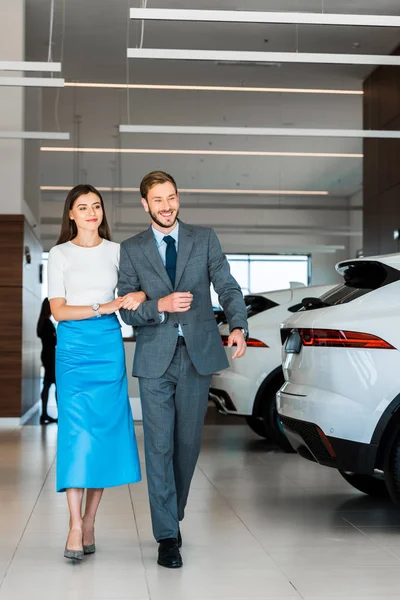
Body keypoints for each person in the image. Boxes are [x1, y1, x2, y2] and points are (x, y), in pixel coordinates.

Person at [118, 171, 248, 568]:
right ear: (145, 205)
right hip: (156, 357)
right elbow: (126, 306)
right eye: (158, 200)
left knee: (186, 446)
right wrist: (159, 306)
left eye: (171, 197)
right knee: (158, 446)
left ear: (178, 198)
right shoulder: (132, 249)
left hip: (197, 356)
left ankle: (171, 511)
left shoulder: (204, 238)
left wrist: (238, 324)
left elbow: (226, 286)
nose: (166, 206)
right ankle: (167, 536)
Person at [47, 184, 142, 561]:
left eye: (96, 206)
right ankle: (72, 524)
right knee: (75, 433)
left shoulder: (119, 252)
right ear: (70, 214)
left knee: (103, 432)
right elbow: (59, 310)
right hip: (72, 348)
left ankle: (89, 521)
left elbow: (134, 295)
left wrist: (135, 299)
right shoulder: (59, 254)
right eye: (82, 207)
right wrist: (104, 306)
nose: (91, 212)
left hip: (107, 346)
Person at [36, 298, 58, 424]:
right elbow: (54, 341)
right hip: (50, 357)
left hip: (46, 355)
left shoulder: (42, 322)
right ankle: (47, 414)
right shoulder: (47, 323)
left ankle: (44, 414)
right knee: (53, 385)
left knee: (47, 384)